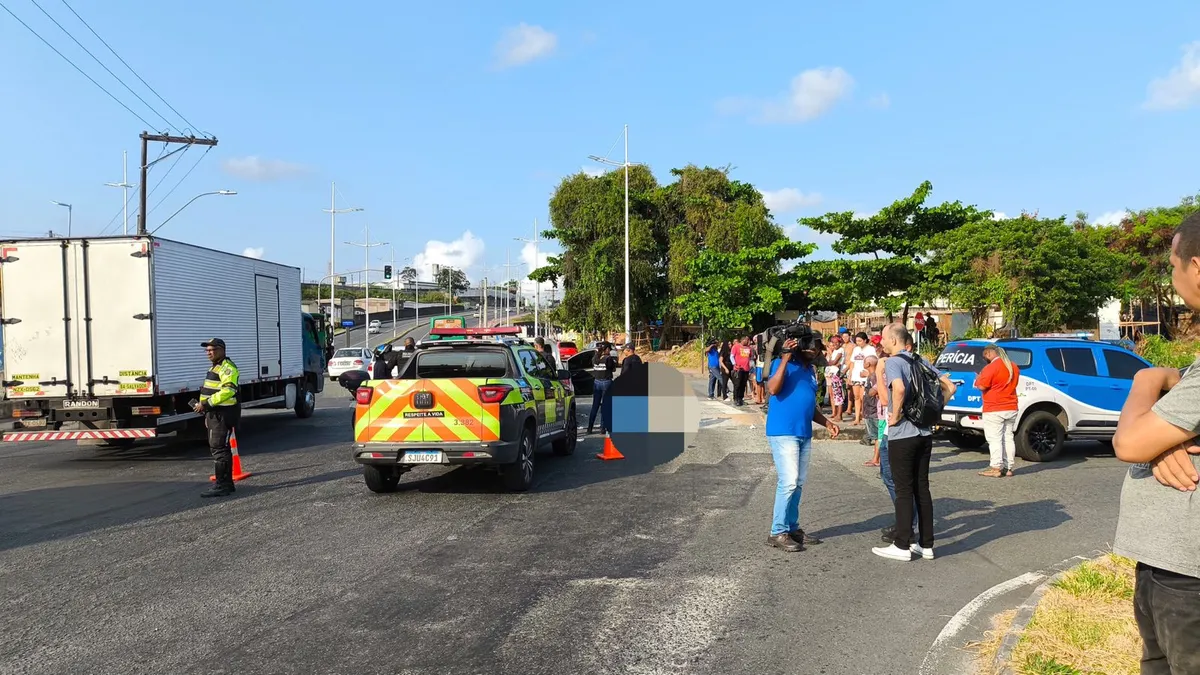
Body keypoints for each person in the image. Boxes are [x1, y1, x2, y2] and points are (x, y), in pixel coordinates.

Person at [1111, 214, 1200, 675]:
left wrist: (1145, 380)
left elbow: (1128, 441)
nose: (1172, 274)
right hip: (1169, 568)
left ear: (1197, 267)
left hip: (1189, 577)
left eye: (1172, 264)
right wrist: (1164, 441)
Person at [873, 323, 955, 562]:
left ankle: (902, 544)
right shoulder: (921, 361)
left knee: (903, 489)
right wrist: (936, 411)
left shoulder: (894, 362)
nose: (882, 343)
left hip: (903, 435)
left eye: (885, 339)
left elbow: (897, 389)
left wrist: (896, 415)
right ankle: (926, 544)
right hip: (924, 434)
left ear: (895, 341)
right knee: (922, 488)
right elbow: (948, 386)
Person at [764, 332, 840, 552]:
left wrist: (827, 423)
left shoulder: (810, 372)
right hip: (783, 432)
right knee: (788, 481)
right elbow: (773, 389)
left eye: (817, 347)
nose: (813, 350)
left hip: (803, 432)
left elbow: (809, 406)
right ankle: (777, 532)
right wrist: (785, 358)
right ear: (798, 347)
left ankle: (792, 527)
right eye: (810, 346)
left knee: (797, 483)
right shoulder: (782, 363)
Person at [193, 338, 240, 498]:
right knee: (218, 448)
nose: (208, 353)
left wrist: (206, 404)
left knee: (219, 449)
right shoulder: (216, 367)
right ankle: (225, 484)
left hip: (222, 414)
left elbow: (229, 390)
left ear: (221, 349)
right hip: (215, 414)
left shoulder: (227, 368)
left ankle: (223, 485)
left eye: (212, 350)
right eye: (207, 350)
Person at [977, 344, 1020, 478]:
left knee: (994, 439)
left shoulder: (991, 368)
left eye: (985, 355)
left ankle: (995, 467)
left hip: (994, 407)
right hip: (1011, 406)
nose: (985, 358)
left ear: (990, 353)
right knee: (1008, 437)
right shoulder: (1013, 366)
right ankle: (1008, 468)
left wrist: (978, 379)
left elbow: (982, 386)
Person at [588, 343, 617, 434]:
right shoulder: (608, 359)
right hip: (606, 383)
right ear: (607, 349)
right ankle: (602, 428)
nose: (610, 351)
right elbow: (613, 369)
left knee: (595, 406)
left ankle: (590, 428)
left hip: (596, 382)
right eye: (609, 349)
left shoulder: (594, 359)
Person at [731, 336, 753, 406]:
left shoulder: (749, 348)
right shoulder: (736, 346)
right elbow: (732, 356)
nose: (748, 341)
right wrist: (734, 364)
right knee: (737, 384)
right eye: (747, 340)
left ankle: (741, 399)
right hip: (738, 369)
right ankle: (736, 399)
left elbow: (750, 357)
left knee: (743, 385)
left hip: (746, 369)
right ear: (743, 340)